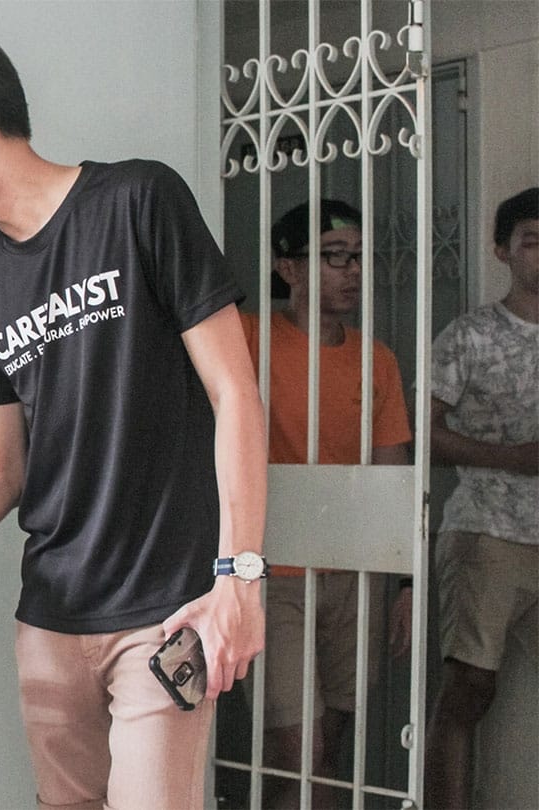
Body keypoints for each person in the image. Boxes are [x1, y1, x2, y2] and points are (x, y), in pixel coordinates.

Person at [0, 31, 268, 810]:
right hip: (49, 621)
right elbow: (1, 475)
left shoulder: (139, 200)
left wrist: (239, 575)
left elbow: (235, 395)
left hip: (163, 608)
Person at [241, 200, 413, 808]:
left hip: (354, 575)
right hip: (273, 571)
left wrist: (403, 585)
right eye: (335, 256)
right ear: (288, 268)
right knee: (301, 748)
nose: (353, 271)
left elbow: (391, 476)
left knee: (330, 746)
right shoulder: (249, 337)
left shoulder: (378, 360)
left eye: (359, 257)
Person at [424, 187, 538, 809]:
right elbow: (424, 436)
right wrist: (512, 458)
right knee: (470, 687)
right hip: (487, 531)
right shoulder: (470, 335)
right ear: (503, 250)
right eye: (532, 240)